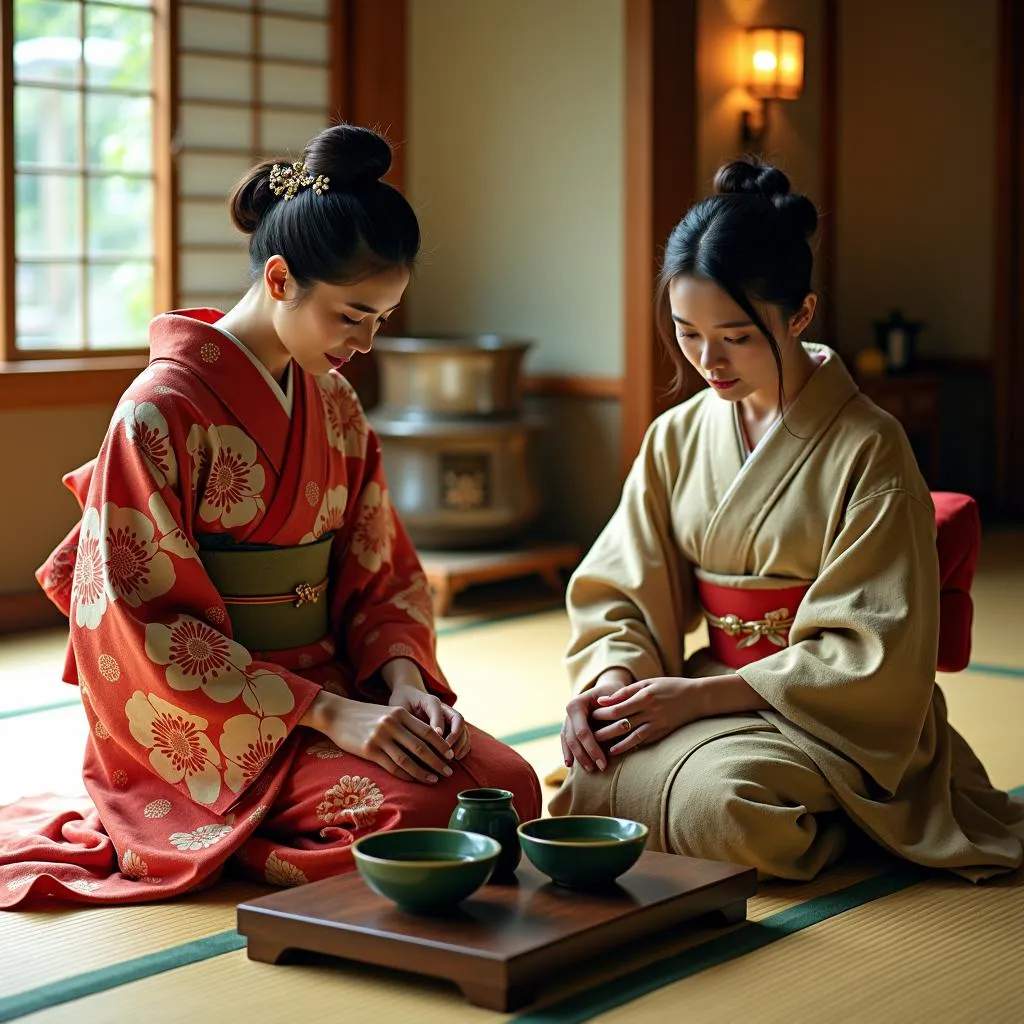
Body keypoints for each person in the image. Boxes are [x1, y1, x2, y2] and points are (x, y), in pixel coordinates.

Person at [0, 124, 540, 906]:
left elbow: (378, 567)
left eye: (381, 320)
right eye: (351, 316)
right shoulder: (158, 412)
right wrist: (322, 714)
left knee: (507, 787)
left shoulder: (336, 402)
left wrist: (398, 680)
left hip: (340, 689)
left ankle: (300, 813)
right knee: (425, 815)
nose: (364, 342)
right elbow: (131, 620)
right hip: (218, 720)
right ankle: (226, 840)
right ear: (281, 279)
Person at [551, 158, 1023, 881]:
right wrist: (614, 686)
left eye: (736, 336)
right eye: (686, 333)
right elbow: (622, 589)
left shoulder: (870, 447)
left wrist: (696, 700)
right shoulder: (677, 436)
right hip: (706, 693)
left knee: (727, 807)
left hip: (833, 716)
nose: (709, 360)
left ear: (800, 314)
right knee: (587, 785)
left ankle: (856, 821)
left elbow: (874, 646)